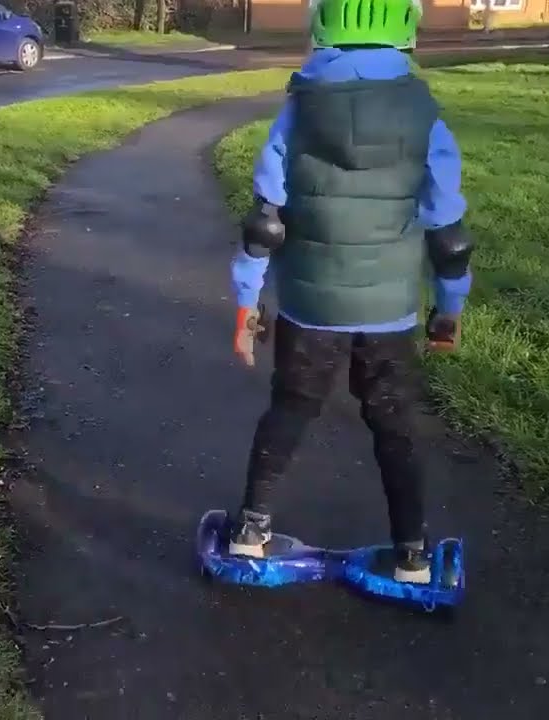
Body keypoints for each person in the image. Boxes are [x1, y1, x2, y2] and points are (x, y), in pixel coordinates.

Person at [227, 0, 474, 585]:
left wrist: (245, 303)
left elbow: (266, 223)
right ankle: (412, 554)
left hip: (310, 307)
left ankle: (250, 533)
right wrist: (449, 311)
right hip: (388, 312)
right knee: (393, 423)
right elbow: (449, 234)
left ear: (322, 23)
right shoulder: (426, 117)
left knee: (290, 409)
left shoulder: (298, 111)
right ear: (406, 28)